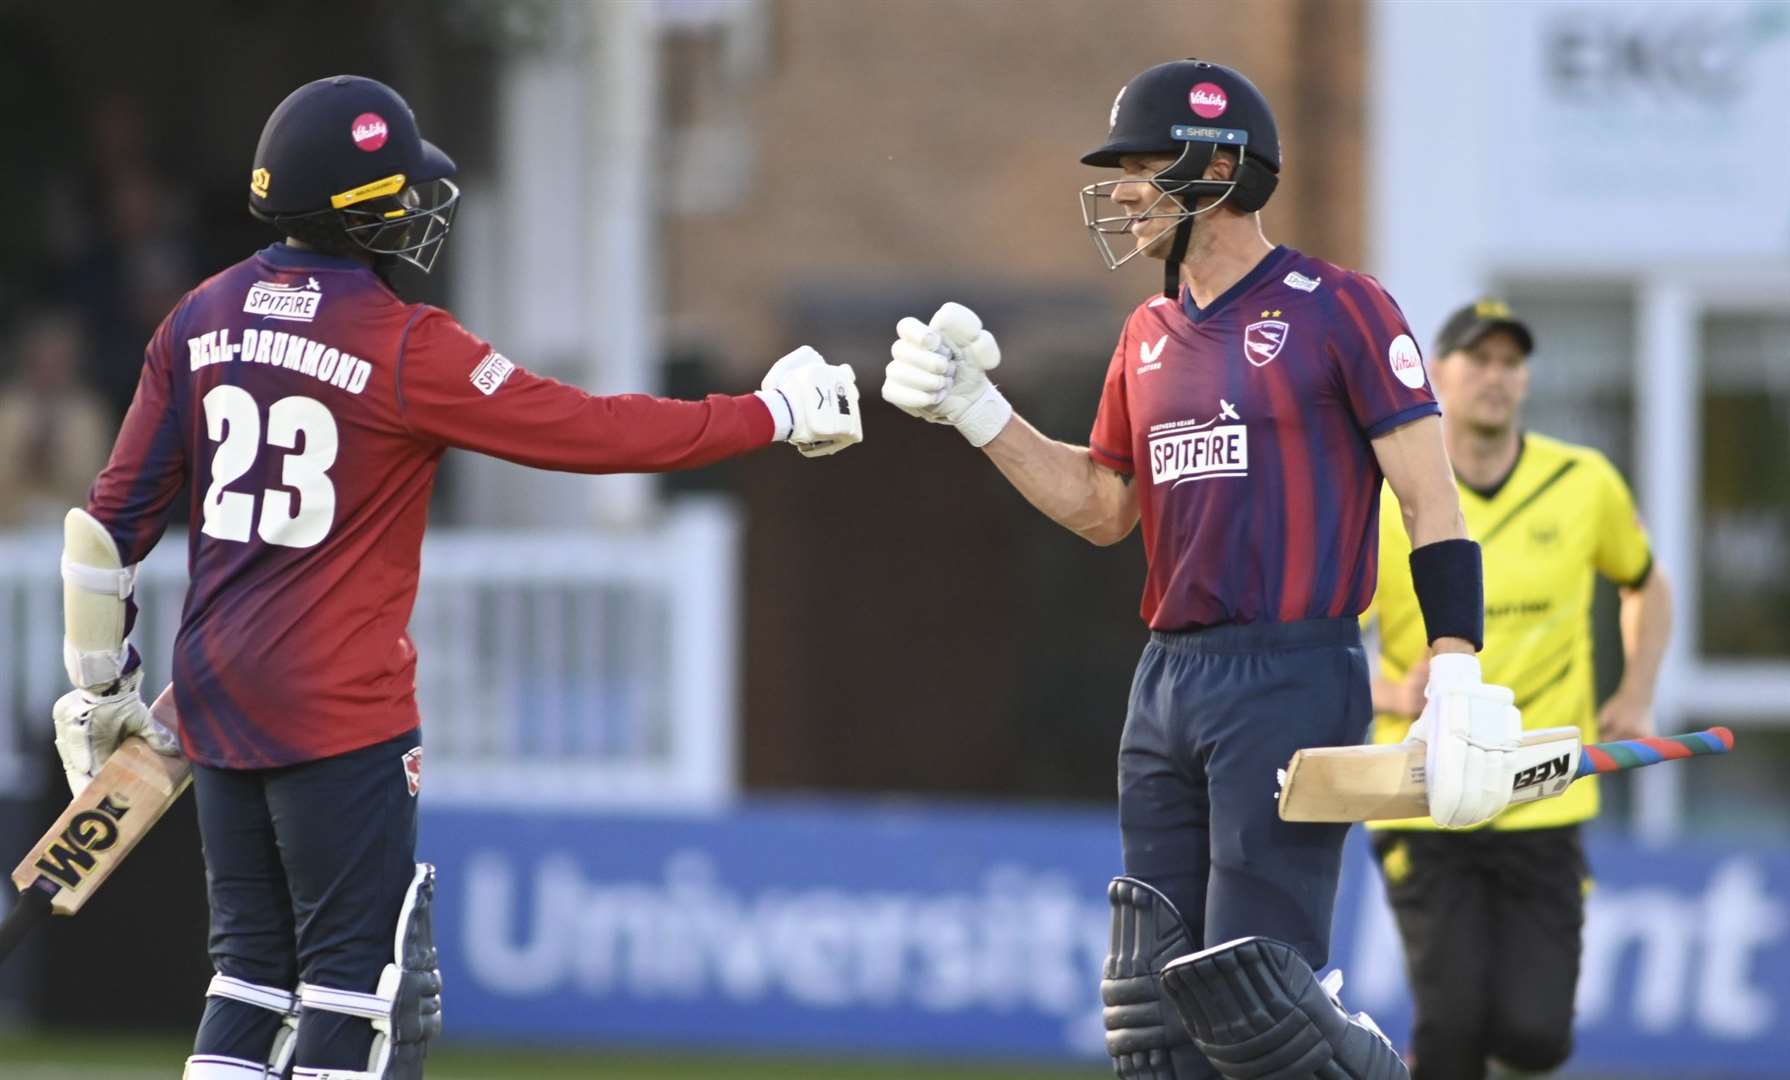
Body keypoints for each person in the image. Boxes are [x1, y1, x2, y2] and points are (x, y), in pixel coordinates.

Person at [50, 75, 861, 1080]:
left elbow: (102, 533)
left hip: (214, 694)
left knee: (246, 982)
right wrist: (767, 414)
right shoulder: (403, 345)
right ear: (359, 210)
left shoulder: (198, 318)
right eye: (395, 191)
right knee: (359, 994)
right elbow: (591, 433)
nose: (414, 210)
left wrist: (97, 692)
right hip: (340, 709)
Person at [882, 58, 1531, 1080]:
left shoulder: (1339, 307)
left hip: (1290, 672)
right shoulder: (1143, 334)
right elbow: (1102, 508)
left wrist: (1454, 670)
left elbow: (1428, 499)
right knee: (1155, 1023)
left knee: (1255, 1006)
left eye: (1143, 166)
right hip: (1166, 683)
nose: (1122, 192)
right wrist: (978, 413)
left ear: (1218, 168)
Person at [1364, 299, 1673, 1080]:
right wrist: (1394, 693)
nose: (1497, 377)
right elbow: (1318, 632)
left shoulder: (1582, 481)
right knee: (1453, 1023)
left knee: (1536, 1037)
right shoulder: (1390, 503)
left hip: (1548, 790)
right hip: (1426, 796)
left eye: (1512, 362)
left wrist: (1636, 692)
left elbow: (1646, 585)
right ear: (1440, 374)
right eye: (1480, 359)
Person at [0, 309, 114, 528]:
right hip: (10, 529)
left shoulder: (88, 412)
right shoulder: (8, 408)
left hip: (73, 527)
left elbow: (99, 480)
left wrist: (56, 456)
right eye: (43, 358)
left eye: (58, 359)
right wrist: (24, 456)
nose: (50, 368)